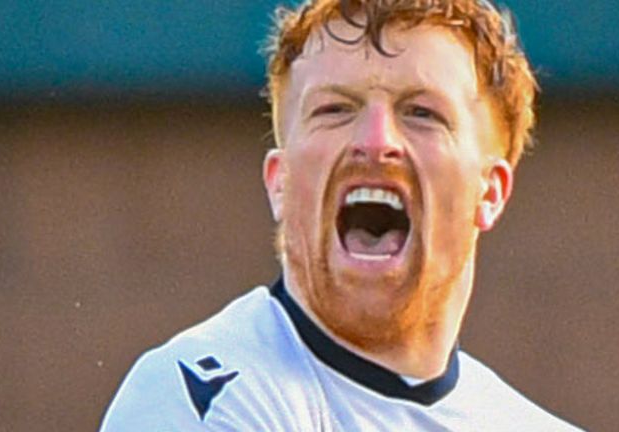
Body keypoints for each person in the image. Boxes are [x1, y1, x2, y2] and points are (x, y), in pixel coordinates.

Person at [101, 0, 583, 430]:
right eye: (334, 110)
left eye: (421, 113)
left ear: (490, 192)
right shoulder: (202, 396)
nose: (375, 143)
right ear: (280, 183)